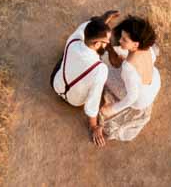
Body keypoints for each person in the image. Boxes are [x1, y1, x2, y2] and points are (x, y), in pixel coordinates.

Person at [51, 9, 121, 147]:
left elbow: (87, 27)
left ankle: (101, 21)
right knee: (98, 83)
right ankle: (100, 23)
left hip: (55, 82)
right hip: (73, 100)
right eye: (106, 42)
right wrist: (94, 127)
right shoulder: (100, 69)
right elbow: (92, 104)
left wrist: (102, 21)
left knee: (67, 55)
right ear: (96, 44)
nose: (108, 44)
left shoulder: (74, 38)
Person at [100, 15, 161, 142]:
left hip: (140, 99)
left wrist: (112, 109)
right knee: (120, 55)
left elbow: (132, 97)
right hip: (153, 83)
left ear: (135, 44)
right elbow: (151, 61)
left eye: (124, 39)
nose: (120, 41)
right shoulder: (148, 48)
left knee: (103, 67)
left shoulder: (128, 68)